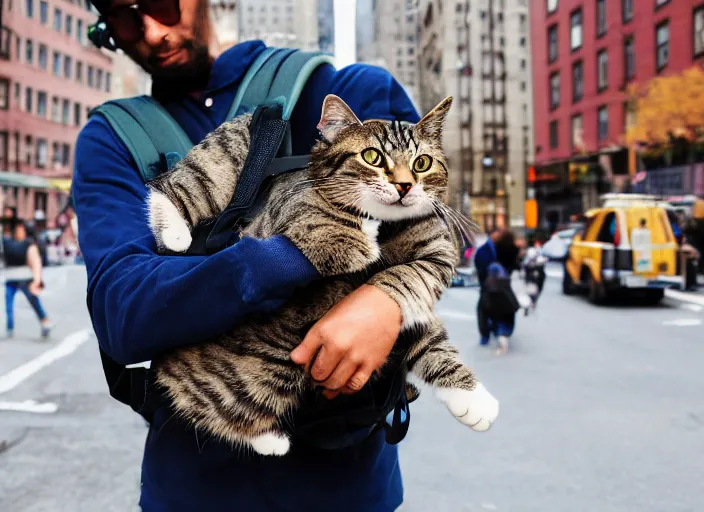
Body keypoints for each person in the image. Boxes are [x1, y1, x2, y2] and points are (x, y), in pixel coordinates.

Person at [71, 0, 425, 510]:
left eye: (160, 5)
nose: (150, 32)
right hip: (195, 489)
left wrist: (386, 303)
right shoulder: (113, 138)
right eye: (125, 18)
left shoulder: (346, 93)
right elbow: (123, 312)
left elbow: (427, 242)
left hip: (349, 487)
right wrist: (295, 254)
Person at [2, 220, 54, 339]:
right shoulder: (7, 242)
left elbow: (36, 263)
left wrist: (37, 280)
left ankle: (45, 322)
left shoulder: (29, 244)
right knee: (8, 304)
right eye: (17, 229)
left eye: (21, 229)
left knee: (34, 302)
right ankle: (10, 328)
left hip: (25, 278)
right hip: (11, 277)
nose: (19, 232)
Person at [473, 229, 521, 354]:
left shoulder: (502, 247)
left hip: (502, 285)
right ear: (491, 234)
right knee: (483, 308)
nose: (499, 235)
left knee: (500, 307)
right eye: (497, 233)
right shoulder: (483, 250)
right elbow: (479, 265)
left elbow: (511, 262)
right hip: (487, 285)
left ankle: (497, 329)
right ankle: (485, 334)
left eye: (500, 234)